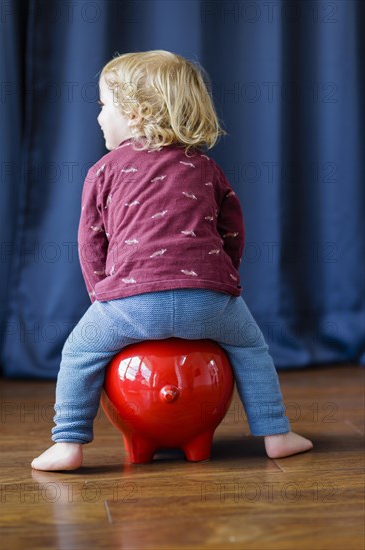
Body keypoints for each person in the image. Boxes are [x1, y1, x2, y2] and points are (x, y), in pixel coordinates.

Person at [31, 50, 312, 471]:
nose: (99, 117)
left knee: (78, 352)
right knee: (252, 348)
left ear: (136, 113)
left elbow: (90, 242)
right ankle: (276, 433)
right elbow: (233, 230)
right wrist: (225, 280)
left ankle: (68, 441)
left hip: (131, 304)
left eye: (104, 105)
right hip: (210, 302)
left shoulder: (103, 170)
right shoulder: (206, 167)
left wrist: (102, 296)